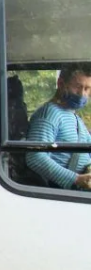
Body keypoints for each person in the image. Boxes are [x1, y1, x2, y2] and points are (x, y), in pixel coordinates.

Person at [25, 63, 91, 191]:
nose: (82, 94)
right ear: (61, 84)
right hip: (63, 193)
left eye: (87, 89)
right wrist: (76, 179)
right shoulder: (49, 114)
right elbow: (35, 158)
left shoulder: (73, 116)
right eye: (78, 87)